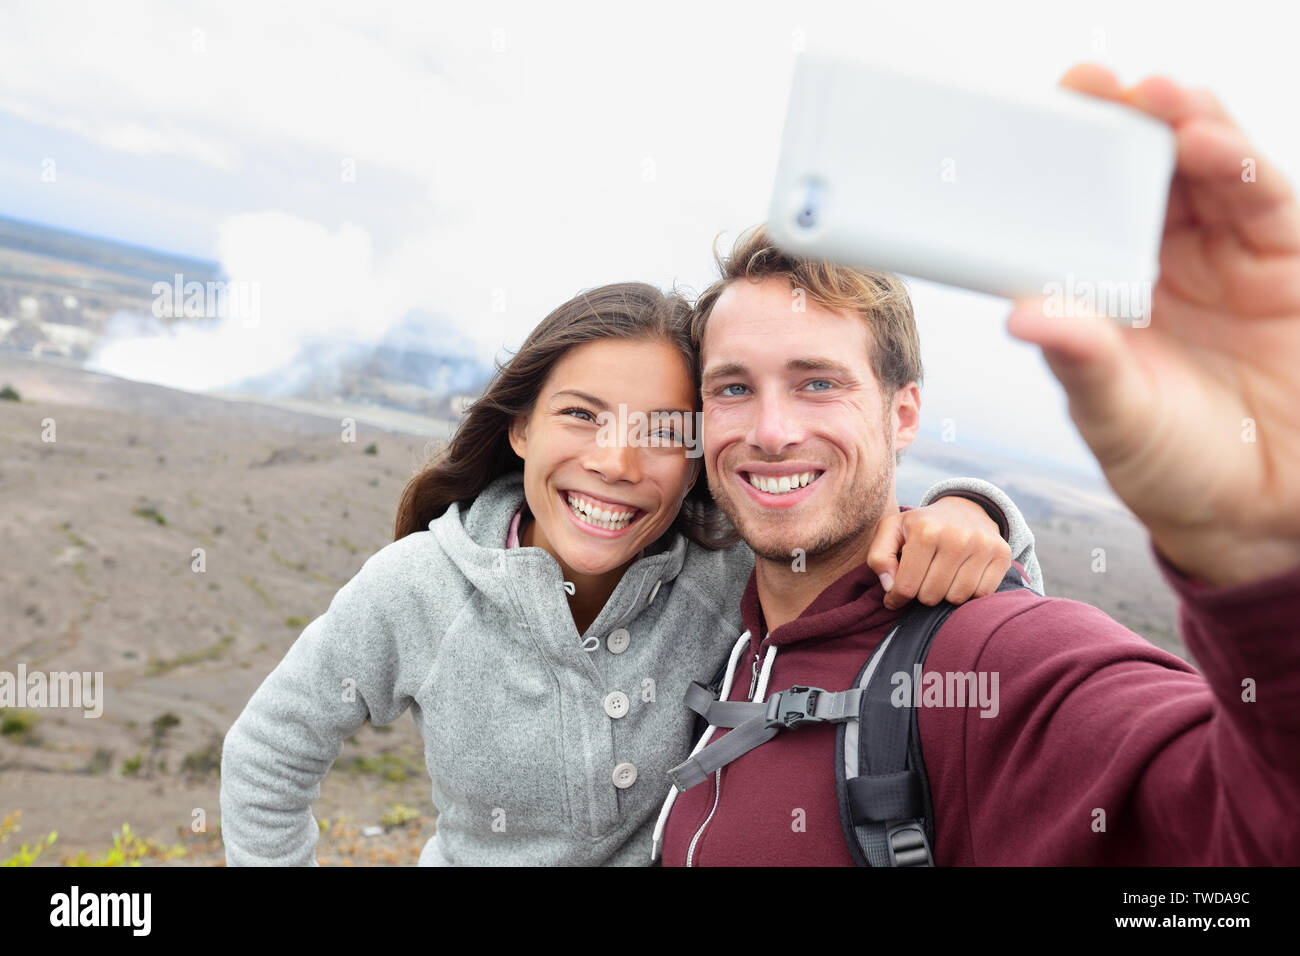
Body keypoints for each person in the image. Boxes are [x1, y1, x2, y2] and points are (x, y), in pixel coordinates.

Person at [654, 64, 1300, 866]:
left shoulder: (990, 656)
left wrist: (1267, 566)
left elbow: (1246, 835)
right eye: (734, 387)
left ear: (904, 415)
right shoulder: (719, 626)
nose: (773, 430)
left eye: (819, 383)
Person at [218, 281, 1043, 866]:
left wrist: (975, 511)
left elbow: (970, 574)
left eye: (661, 430)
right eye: (579, 415)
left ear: (696, 463)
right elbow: (267, 753)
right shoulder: (418, 588)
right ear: (519, 431)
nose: (615, 462)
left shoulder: (729, 573)